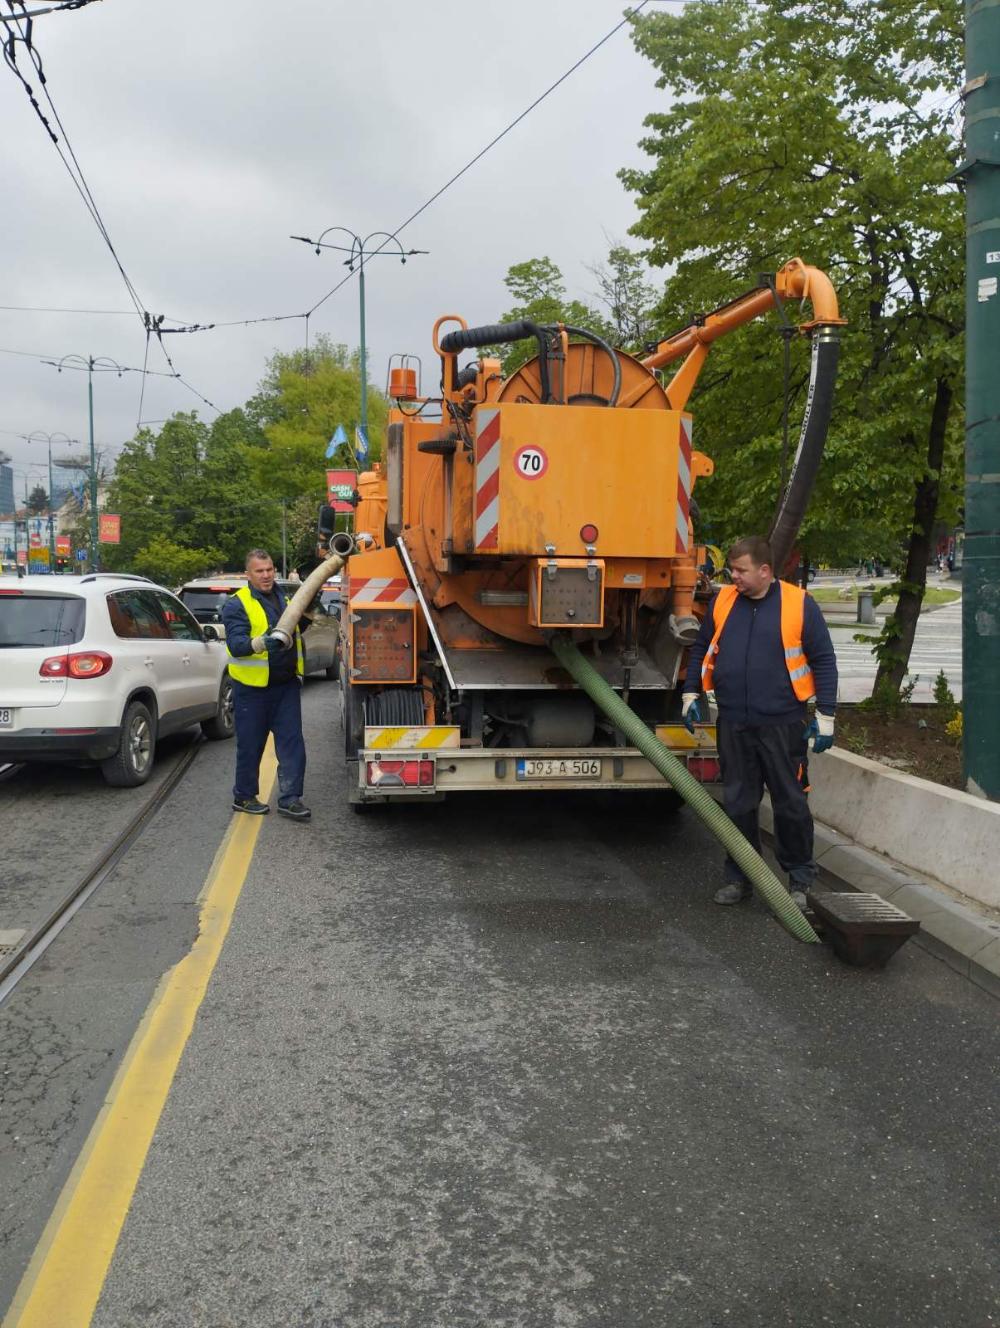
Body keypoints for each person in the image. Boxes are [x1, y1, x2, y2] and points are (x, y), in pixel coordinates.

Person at [681, 535, 838, 908]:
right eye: (731, 570)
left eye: (740, 571)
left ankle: (799, 879)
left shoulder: (799, 605)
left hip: (783, 724)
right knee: (737, 803)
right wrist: (691, 693)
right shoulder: (723, 601)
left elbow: (824, 661)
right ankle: (741, 876)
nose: (732, 577)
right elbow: (702, 647)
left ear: (765, 571)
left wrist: (826, 715)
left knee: (790, 803)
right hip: (735, 722)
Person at [222, 549, 312, 820]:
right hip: (252, 691)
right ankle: (245, 796)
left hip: (285, 687)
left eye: (270, 569)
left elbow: (296, 629)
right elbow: (236, 646)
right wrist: (261, 642)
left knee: (292, 744)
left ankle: (290, 798)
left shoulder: (283, 599)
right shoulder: (236, 604)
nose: (266, 575)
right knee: (251, 745)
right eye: (260, 571)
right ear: (248, 574)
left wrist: (307, 613)